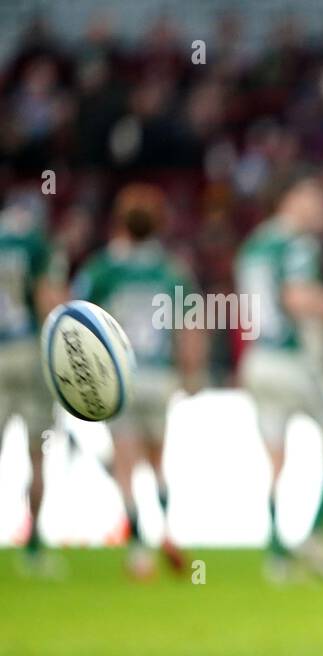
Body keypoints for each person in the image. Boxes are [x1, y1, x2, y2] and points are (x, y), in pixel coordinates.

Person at [235, 176, 323, 582]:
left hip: (259, 359)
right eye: (310, 197)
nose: (318, 207)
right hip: (298, 360)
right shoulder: (297, 244)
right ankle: (314, 533)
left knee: (275, 457)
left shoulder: (254, 246)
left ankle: (276, 554)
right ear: (289, 198)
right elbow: (297, 297)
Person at [73, 184, 201, 579]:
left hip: (118, 377)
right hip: (159, 375)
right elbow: (189, 325)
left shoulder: (101, 270)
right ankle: (168, 531)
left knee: (125, 462)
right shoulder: (171, 269)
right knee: (158, 459)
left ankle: (138, 552)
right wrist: (191, 372)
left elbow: (75, 323)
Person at [0, 194, 66, 576]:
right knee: (36, 452)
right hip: (28, 350)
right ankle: (33, 545)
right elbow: (47, 299)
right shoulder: (38, 244)